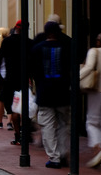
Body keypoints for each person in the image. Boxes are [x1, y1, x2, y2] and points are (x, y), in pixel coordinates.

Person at [30, 21, 70, 169]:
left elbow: (33, 71)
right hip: (63, 92)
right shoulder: (66, 47)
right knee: (63, 125)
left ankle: (54, 157)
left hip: (45, 93)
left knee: (47, 125)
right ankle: (63, 153)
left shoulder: (37, 49)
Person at [0, 20, 32, 145]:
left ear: (15, 28)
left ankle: (18, 135)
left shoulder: (7, 41)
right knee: (25, 108)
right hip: (24, 79)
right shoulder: (29, 42)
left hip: (10, 79)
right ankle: (24, 134)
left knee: (15, 108)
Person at [81, 32, 101, 168]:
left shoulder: (94, 51)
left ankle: (97, 147)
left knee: (92, 121)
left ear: (100, 42)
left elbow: (88, 67)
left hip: (98, 89)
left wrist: (75, 78)